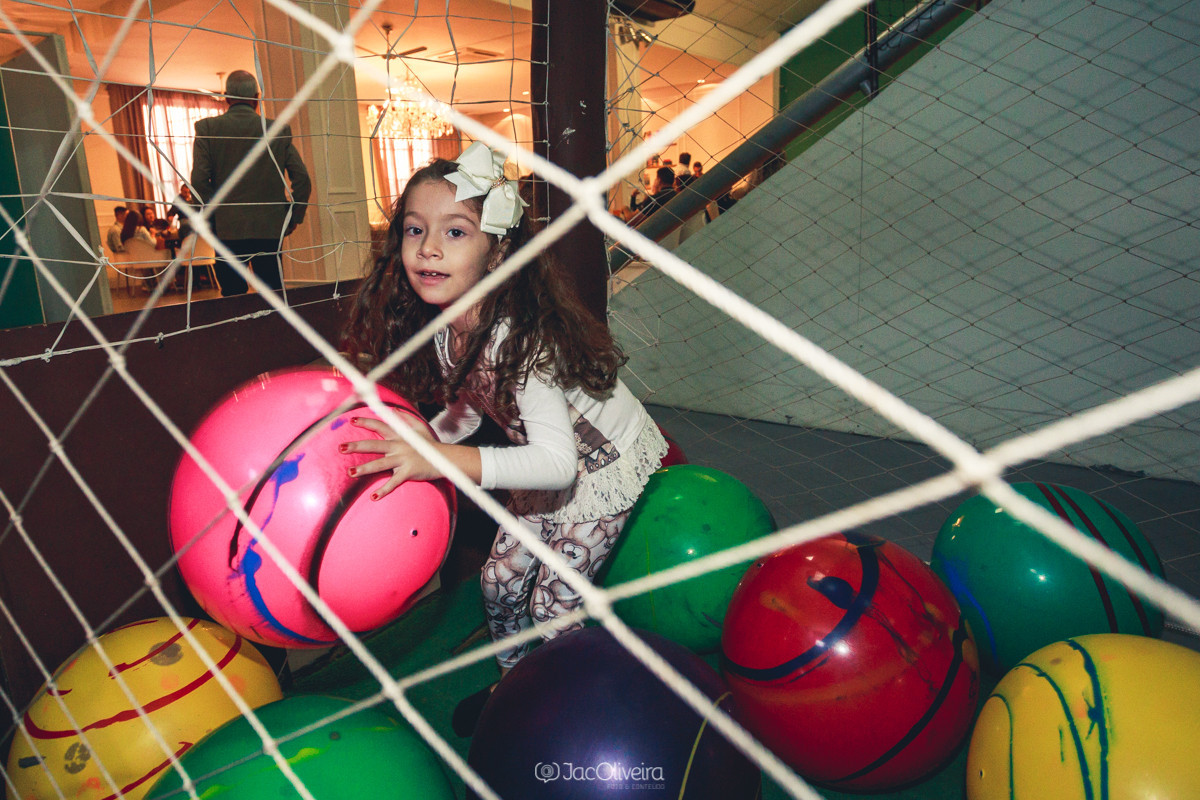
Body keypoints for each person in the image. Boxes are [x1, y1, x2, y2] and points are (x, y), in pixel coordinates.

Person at [340, 142, 668, 735]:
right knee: (498, 582)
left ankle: (559, 711)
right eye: (415, 229)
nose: (429, 247)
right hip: (538, 458)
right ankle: (517, 688)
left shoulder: (523, 341)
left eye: (456, 232)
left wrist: (437, 459)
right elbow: (470, 412)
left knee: (553, 611)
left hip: (595, 468)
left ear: (497, 254)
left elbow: (558, 466)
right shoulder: (451, 329)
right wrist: (421, 439)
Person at [191, 69, 311, 296]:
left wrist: (213, 216)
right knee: (273, 296)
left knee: (233, 296)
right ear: (257, 97)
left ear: (227, 98)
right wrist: (293, 215)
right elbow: (302, 179)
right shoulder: (277, 130)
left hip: (227, 228)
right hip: (269, 226)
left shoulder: (207, 129)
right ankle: (274, 332)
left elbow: (198, 181)